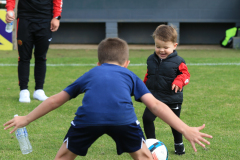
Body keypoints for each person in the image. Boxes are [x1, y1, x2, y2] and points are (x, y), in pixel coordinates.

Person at [4, 38, 212, 160]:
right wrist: (185, 129)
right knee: (142, 156)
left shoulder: (91, 73)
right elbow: (156, 105)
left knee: (63, 157)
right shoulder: (130, 75)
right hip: (123, 120)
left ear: (98, 62)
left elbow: (55, 100)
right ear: (127, 63)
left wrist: (26, 119)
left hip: (88, 119)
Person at [142, 24, 190, 155]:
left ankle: (179, 144)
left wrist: (179, 81)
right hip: (155, 98)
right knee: (147, 118)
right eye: (158, 47)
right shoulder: (151, 59)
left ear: (174, 46)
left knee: (175, 124)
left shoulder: (179, 61)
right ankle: (151, 144)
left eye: (166, 47)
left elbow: (186, 75)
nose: (161, 50)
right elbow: (149, 75)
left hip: (172, 98)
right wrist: (142, 87)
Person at [5, 0, 63, 103]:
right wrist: (10, 9)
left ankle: (39, 90)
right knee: (24, 57)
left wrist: (57, 16)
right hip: (25, 18)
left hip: (45, 19)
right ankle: (23, 90)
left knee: (41, 57)